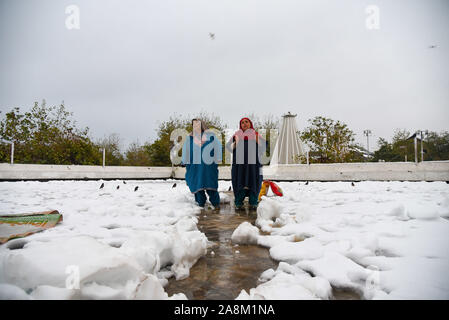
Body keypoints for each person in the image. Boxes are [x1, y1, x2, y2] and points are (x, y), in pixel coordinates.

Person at [226, 117, 265, 210]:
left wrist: (257, 141)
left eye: (246, 122)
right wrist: (235, 143)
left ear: (250, 123)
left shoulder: (255, 134)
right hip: (240, 166)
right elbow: (228, 147)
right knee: (240, 180)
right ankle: (238, 202)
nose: (244, 124)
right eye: (242, 122)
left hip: (253, 165)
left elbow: (264, 147)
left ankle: (253, 202)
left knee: (254, 180)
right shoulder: (237, 135)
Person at [182, 119, 221, 209]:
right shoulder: (190, 137)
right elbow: (186, 150)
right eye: (194, 124)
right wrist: (184, 160)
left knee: (210, 183)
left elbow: (217, 146)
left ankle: (216, 203)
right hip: (194, 166)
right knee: (197, 184)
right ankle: (200, 203)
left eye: (197, 124)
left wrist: (218, 158)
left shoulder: (210, 136)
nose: (195, 126)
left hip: (208, 165)